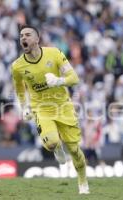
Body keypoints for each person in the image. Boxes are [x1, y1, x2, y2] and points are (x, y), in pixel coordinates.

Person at [11, 25, 89, 194]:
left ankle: (82, 181)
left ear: (37, 39)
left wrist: (58, 81)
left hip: (63, 107)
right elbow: (19, 88)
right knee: (52, 142)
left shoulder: (54, 53)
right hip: (41, 109)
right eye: (21, 35)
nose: (23, 38)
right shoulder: (17, 66)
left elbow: (74, 78)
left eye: (28, 35)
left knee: (75, 151)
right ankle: (57, 147)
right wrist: (24, 106)